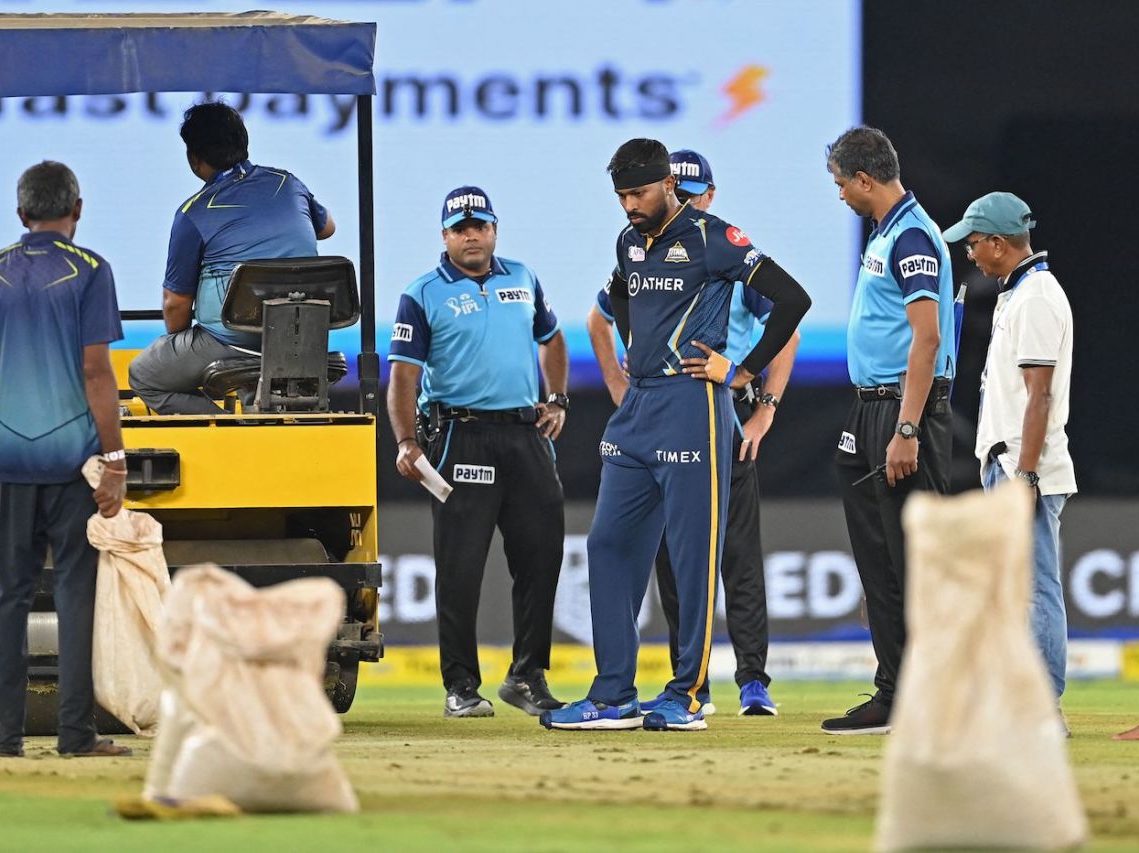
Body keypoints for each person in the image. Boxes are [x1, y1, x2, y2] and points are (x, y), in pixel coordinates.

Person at [543, 138, 809, 732]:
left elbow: (794, 299)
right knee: (607, 545)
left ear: (667, 184)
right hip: (638, 407)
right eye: (621, 196)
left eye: (638, 193)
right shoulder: (629, 241)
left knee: (694, 559)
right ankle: (613, 694)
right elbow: (619, 296)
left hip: (694, 404)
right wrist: (633, 353)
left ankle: (688, 694)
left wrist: (743, 372)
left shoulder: (715, 237)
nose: (629, 206)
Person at [0, 161, 131, 758]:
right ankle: (75, 734)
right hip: (72, 469)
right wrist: (115, 459)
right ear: (77, 209)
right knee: (75, 598)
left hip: (11, 465)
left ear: (21, 213)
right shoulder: (91, 270)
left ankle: (4, 739)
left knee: (9, 598)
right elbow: (96, 371)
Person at [388, 186, 569, 719]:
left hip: (526, 433)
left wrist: (558, 398)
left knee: (541, 558)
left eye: (480, 226)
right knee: (460, 567)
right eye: (460, 228)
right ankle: (461, 686)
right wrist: (406, 440)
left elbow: (552, 338)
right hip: (461, 433)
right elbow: (403, 377)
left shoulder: (523, 277)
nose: (471, 236)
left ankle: (527, 676)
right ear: (444, 235)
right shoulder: (422, 293)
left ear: (494, 230)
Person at [822, 126, 955, 735]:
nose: (840, 195)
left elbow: (927, 339)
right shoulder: (887, 231)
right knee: (879, 561)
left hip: (901, 410)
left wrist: (907, 426)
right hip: (870, 408)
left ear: (864, 179)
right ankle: (895, 691)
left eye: (840, 184)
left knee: (913, 563)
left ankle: (933, 698)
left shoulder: (912, 237)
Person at [943, 191, 1075, 728]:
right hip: (1010, 462)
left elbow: (1039, 397)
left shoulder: (1036, 297)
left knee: (1035, 587)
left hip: (1025, 467)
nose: (970, 254)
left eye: (973, 244)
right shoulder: (1018, 293)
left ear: (998, 243)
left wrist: (1024, 475)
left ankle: (1041, 707)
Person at [128, 101, 336, 414]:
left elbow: (175, 305)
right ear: (243, 143)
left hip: (229, 343)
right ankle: (253, 421)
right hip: (299, 339)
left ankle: (230, 428)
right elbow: (327, 228)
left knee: (144, 375)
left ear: (194, 158)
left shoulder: (193, 213)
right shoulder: (288, 184)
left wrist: (180, 345)